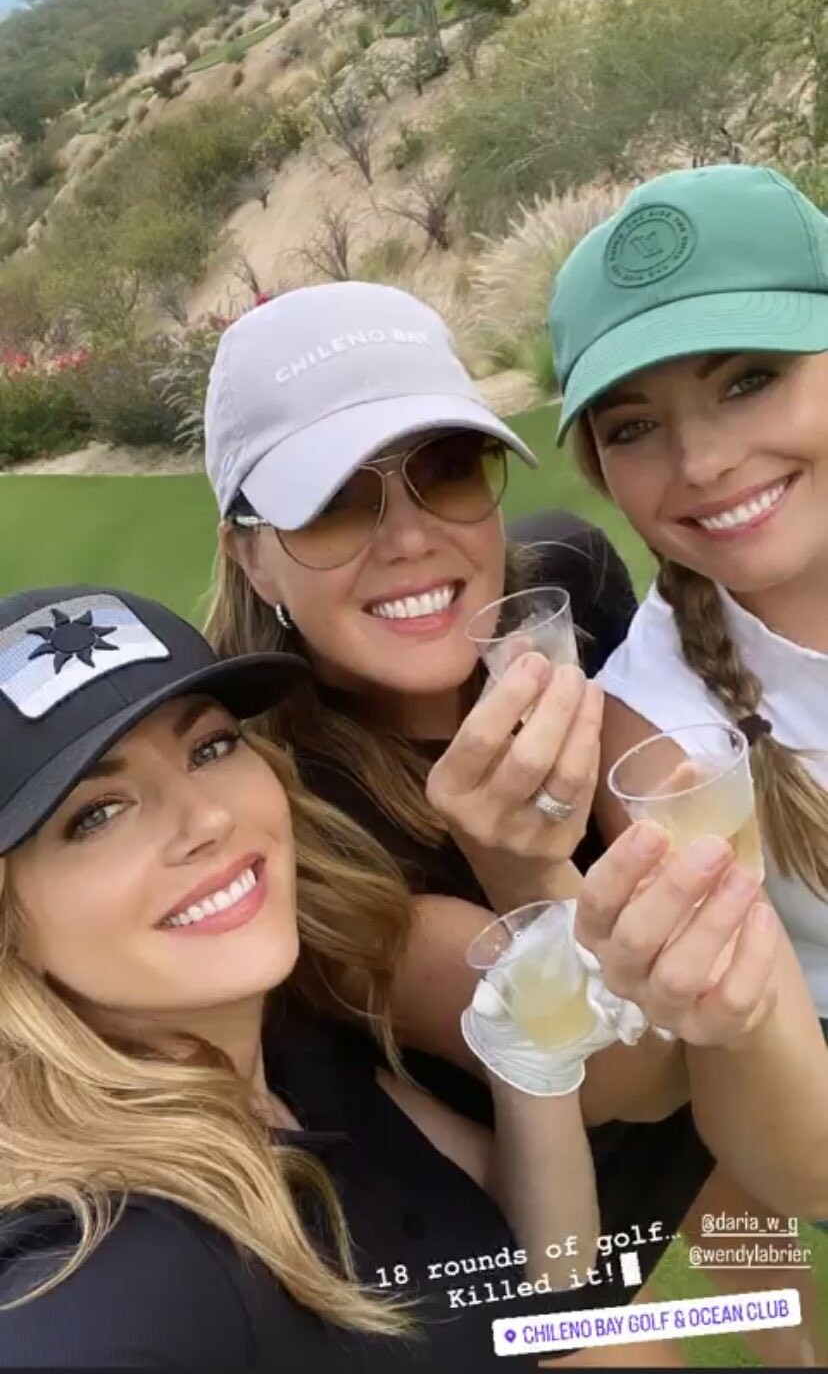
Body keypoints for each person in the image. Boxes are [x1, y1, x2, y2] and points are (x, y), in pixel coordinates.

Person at [201, 279, 828, 1353]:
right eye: (335, 501)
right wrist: (523, 871)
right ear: (250, 552)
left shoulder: (565, 591)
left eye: (446, 466)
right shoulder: (296, 819)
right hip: (557, 1205)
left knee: (785, 1322)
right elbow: (634, 1082)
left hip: (711, 1127)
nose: (410, 538)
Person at [0, 582, 676, 1370]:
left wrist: (531, 1069)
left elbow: (540, 1272)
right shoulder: (110, 1259)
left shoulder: (292, 1057)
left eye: (210, 748)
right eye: (98, 814)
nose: (207, 818)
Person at [549, 160, 828, 1364]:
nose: (704, 460)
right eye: (635, 427)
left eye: (749, 378)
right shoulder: (657, 730)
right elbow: (797, 1166)